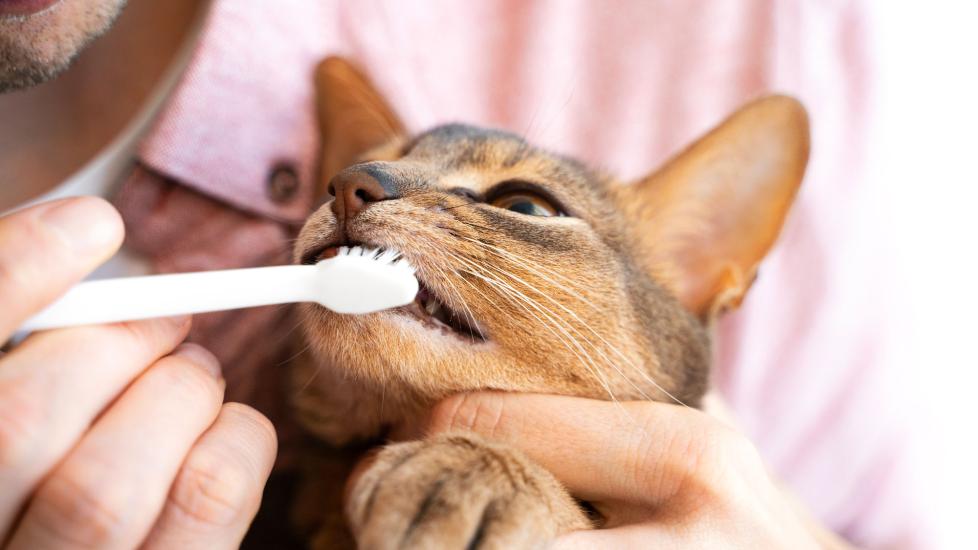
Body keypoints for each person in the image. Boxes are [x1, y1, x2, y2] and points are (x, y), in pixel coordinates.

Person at [0, 0, 925, 548]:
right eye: (363, 172)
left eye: (523, 206)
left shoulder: (785, 36)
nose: (363, 190)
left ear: (692, 280)